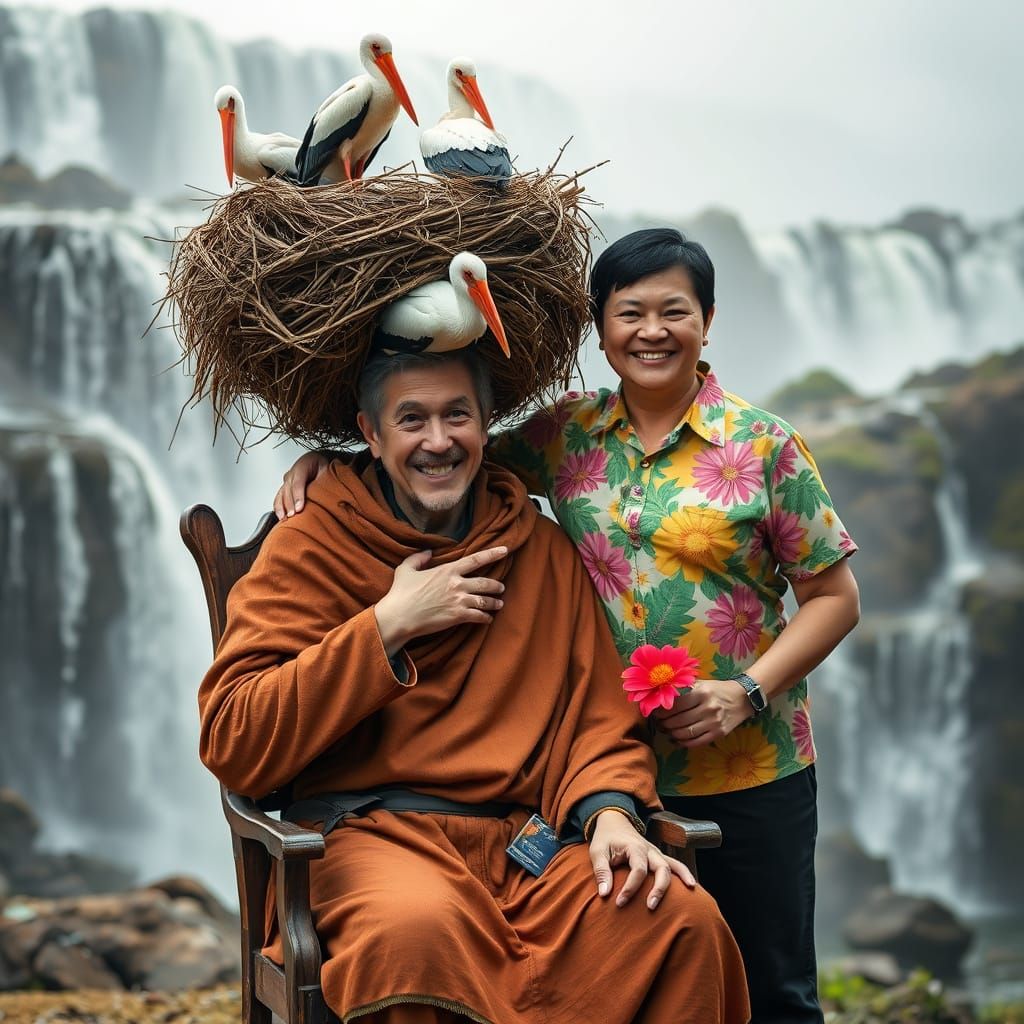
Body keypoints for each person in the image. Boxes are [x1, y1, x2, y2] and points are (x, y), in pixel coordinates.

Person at [275, 229, 861, 1024]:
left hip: (742, 757)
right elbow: (441, 452)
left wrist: (746, 694)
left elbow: (835, 596)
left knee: (776, 987)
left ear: (709, 321)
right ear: (601, 327)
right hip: (603, 767)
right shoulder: (566, 434)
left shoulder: (763, 445)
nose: (652, 330)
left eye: (674, 311)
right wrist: (329, 464)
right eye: (630, 312)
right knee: (443, 930)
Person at [200, 346, 750, 1024]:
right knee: (414, 933)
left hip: (531, 853)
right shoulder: (312, 545)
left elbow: (596, 718)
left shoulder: (538, 549)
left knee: (677, 916)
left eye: (457, 414)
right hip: (373, 844)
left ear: (487, 423)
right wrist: (387, 625)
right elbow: (233, 735)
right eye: (411, 420)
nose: (438, 441)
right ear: (370, 434)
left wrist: (610, 814)